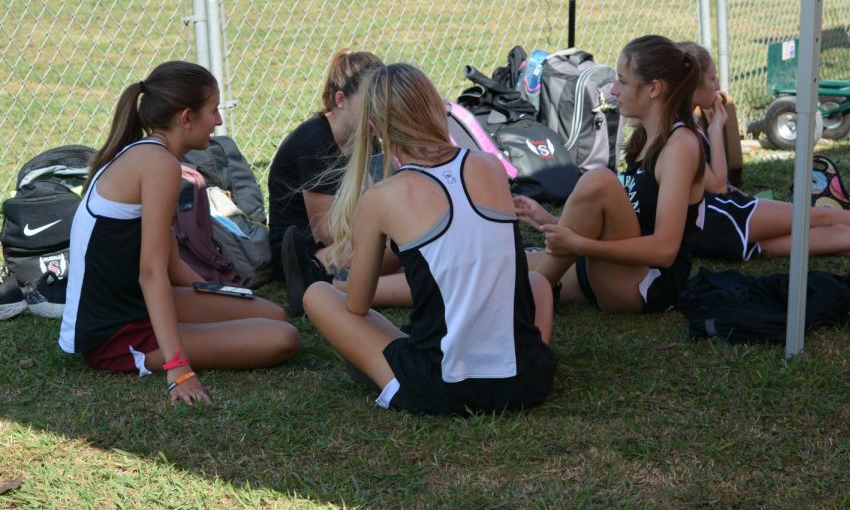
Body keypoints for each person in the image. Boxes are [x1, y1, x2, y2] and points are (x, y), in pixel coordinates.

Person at [303, 63, 557, 415]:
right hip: (527, 381)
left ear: (375, 128)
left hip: (440, 386)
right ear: (437, 110)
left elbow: (358, 305)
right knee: (537, 283)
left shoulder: (380, 197)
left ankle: (401, 360)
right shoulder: (490, 166)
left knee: (317, 294)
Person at [58, 61, 301, 406]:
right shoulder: (159, 165)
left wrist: (225, 295)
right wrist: (179, 369)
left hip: (139, 306)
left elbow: (173, 267)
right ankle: (168, 354)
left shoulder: (151, 155)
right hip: (116, 334)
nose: (218, 121)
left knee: (272, 314)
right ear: (186, 117)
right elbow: (152, 272)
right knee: (283, 337)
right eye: (213, 110)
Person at [516, 35, 706, 313]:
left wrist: (581, 244)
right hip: (614, 270)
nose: (614, 90)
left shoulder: (680, 147)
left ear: (654, 88)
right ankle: (538, 287)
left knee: (599, 180)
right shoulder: (645, 137)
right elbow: (629, 220)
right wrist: (553, 222)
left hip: (647, 284)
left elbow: (665, 250)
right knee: (506, 266)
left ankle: (532, 300)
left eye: (623, 81)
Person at [679, 40, 850, 260]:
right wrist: (717, 129)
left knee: (841, 236)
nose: (717, 86)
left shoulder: (688, 121)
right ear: (692, 88)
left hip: (721, 230)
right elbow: (717, 186)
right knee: (822, 217)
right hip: (718, 222)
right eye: (712, 78)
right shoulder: (681, 133)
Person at [267, 49, 401, 313]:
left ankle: (338, 287)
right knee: (403, 248)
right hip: (309, 252)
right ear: (341, 100)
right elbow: (326, 232)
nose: (379, 109)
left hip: (354, 237)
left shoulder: (366, 132)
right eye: (371, 101)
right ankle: (316, 279)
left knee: (411, 248)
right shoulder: (315, 141)